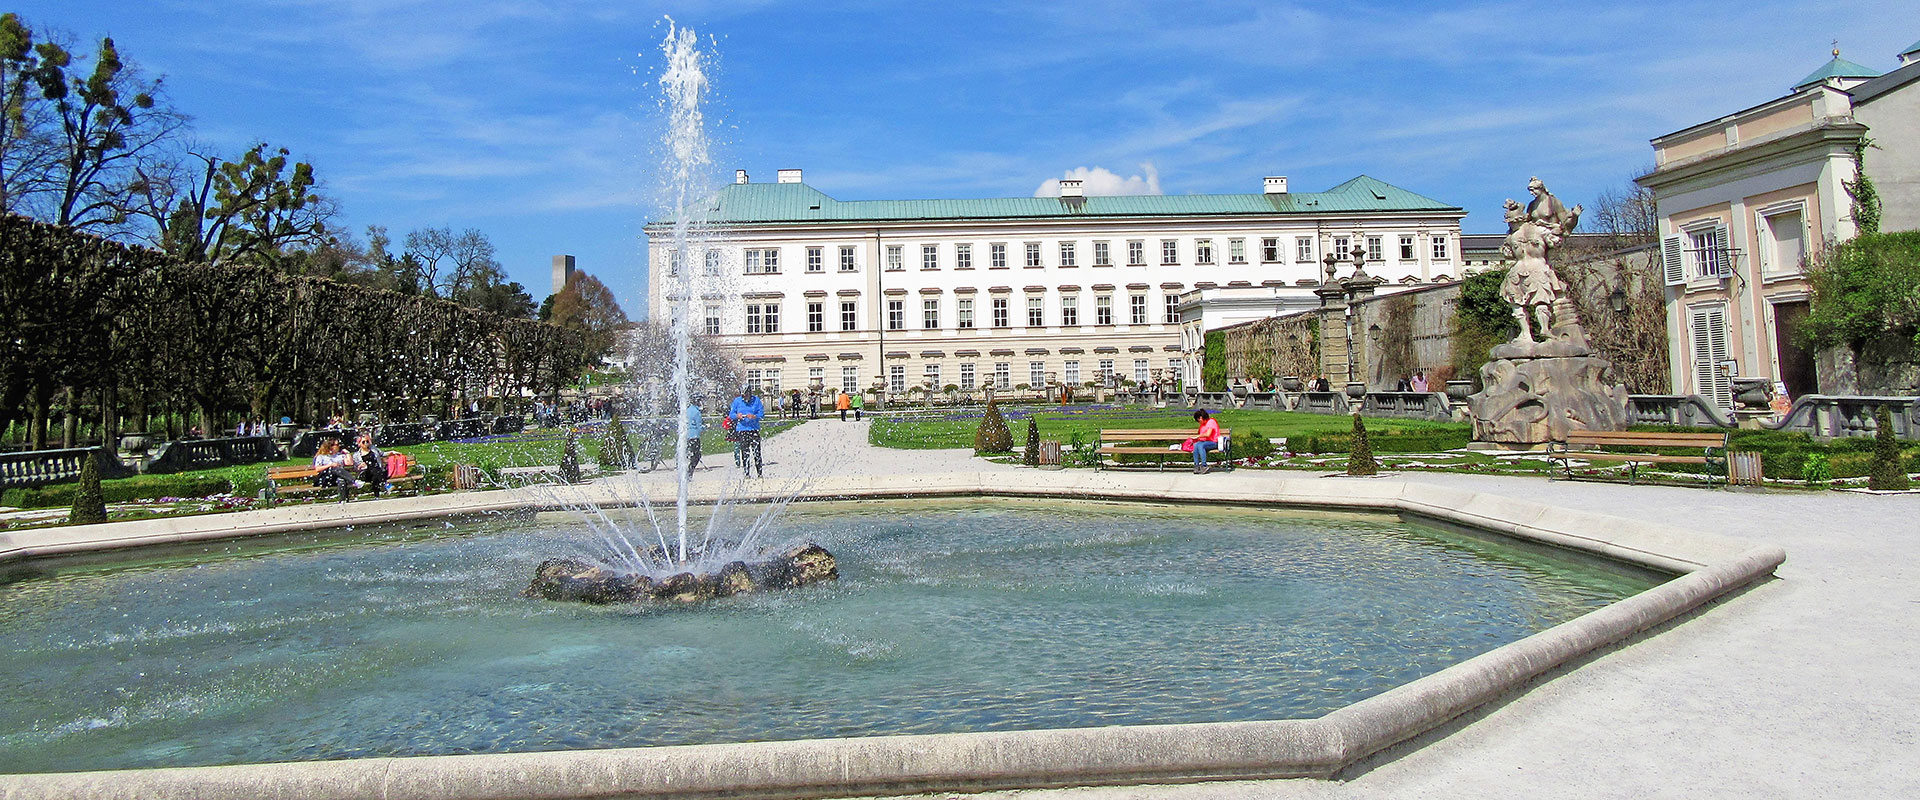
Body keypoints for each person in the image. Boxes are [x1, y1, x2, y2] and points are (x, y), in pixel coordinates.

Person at [728, 387, 766, 478]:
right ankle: (746, 473)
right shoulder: (737, 401)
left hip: (753, 429)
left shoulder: (756, 400)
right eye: (743, 395)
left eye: (746, 395)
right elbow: (731, 414)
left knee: (757, 452)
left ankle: (759, 473)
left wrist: (754, 416)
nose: (745, 397)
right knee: (745, 452)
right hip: (742, 429)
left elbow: (762, 414)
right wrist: (737, 416)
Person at [1185, 409, 1224, 475]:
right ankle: (1196, 466)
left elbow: (1208, 434)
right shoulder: (1202, 425)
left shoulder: (1211, 422)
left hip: (1214, 442)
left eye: (1198, 420)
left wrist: (1198, 436)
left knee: (1200, 445)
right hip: (1205, 442)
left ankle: (1204, 465)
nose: (1198, 422)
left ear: (1201, 418)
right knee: (1196, 445)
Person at [352, 432, 388, 496]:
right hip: (365, 474)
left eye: (367, 441)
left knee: (374, 478)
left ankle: (377, 496)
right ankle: (386, 485)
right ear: (359, 444)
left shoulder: (373, 449)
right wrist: (360, 466)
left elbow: (382, 454)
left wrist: (392, 452)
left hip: (377, 472)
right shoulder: (356, 455)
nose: (366, 443)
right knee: (373, 469)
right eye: (363, 442)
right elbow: (355, 469)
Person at [684, 397, 704, 477]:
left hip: (687, 435)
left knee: (689, 453)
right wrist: (703, 429)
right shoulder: (697, 412)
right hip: (694, 435)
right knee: (697, 455)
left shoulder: (687, 410)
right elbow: (698, 425)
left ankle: (686, 469)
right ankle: (690, 471)